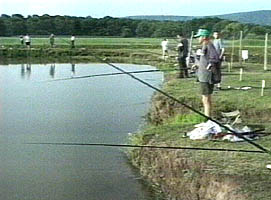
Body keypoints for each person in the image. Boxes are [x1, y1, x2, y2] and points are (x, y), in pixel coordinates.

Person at [193, 29, 220, 117]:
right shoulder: (205, 46)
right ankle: (206, 116)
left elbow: (215, 58)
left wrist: (209, 65)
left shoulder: (209, 45)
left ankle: (207, 118)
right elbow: (204, 58)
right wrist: (197, 65)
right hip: (202, 75)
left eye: (199, 37)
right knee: (204, 98)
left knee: (206, 98)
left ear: (204, 37)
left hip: (206, 76)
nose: (198, 39)